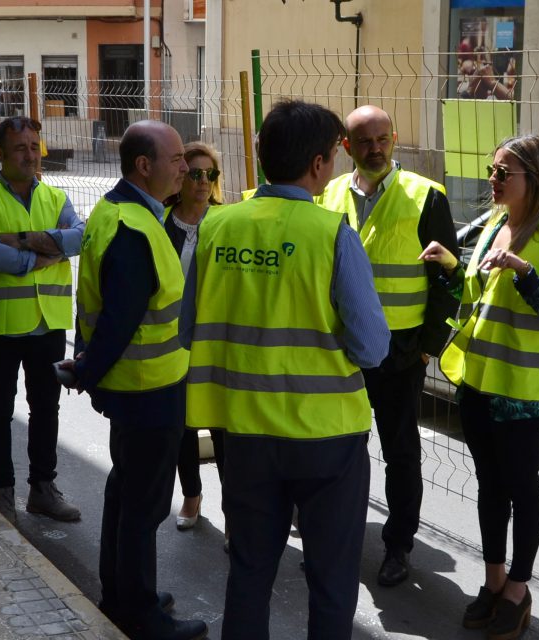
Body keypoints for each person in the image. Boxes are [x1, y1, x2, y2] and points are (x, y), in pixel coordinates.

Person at [180, 100, 389, 639]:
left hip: (245, 431)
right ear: (318, 164)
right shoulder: (331, 233)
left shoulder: (217, 226)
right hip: (327, 439)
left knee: (249, 571)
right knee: (331, 578)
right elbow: (371, 348)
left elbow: (187, 330)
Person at [419, 134, 539, 638]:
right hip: (477, 381)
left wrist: (523, 270)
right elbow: (473, 297)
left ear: (533, 181)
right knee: (489, 485)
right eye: (492, 170)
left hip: (522, 389)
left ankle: (518, 589)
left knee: (520, 486)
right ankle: (493, 581)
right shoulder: (496, 224)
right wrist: (451, 265)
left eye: (502, 174)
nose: (492, 181)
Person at [59, 120, 208, 640]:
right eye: (174, 160)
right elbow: (120, 320)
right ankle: (142, 615)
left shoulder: (118, 212)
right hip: (148, 392)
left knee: (125, 494)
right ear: (144, 166)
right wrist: (87, 372)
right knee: (142, 509)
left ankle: (122, 595)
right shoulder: (135, 229)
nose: (184, 168)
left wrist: (88, 369)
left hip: (140, 389)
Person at [315, 105, 459, 587]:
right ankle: (338, 537)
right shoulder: (329, 194)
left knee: (400, 453)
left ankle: (398, 545)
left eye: (383, 139)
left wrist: (426, 349)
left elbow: (449, 280)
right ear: (346, 148)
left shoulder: (426, 196)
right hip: (342, 348)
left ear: (394, 139)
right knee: (339, 448)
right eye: (364, 142)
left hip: (401, 351)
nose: (375, 149)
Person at [0, 116, 84, 524]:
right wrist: (47, 253)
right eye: (20, 148)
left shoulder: (56, 197)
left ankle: (42, 490)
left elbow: (82, 237)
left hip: (47, 323)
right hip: (0, 325)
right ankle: (2, 492)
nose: (30, 155)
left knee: (46, 408)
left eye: (35, 146)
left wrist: (21, 239)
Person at [163, 141, 226, 533]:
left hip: (215, 338)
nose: (204, 182)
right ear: (181, 177)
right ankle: (192, 495)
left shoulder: (226, 221)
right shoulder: (162, 222)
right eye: (196, 173)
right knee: (183, 424)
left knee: (221, 425)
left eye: (211, 174)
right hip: (170, 339)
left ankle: (234, 510)